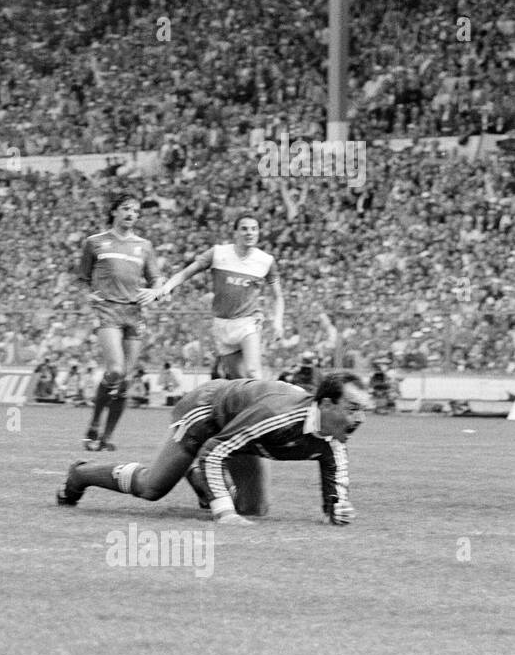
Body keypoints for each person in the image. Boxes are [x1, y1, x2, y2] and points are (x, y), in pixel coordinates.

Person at [57, 372, 368, 526]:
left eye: (362, 410)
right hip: (208, 413)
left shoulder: (330, 438)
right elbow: (214, 448)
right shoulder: (278, 417)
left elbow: (334, 474)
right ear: (326, 405)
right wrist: (224, 513)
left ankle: (198, 477)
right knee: (153, 488)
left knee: (254, 510)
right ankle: (79, 474)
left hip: (243, 432)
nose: (360, 418)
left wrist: (336, 509)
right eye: (352, 408)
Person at [78, 192, 163, 450]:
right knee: (115, 370)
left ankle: (107, 437)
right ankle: (94, 424)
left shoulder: (144, 246)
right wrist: (88, 296)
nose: (131, 214)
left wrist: (155, 291)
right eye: (126, 208)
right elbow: (82, 278)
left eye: (135, 211)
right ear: (114, 211)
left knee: (125, 380)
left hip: (134, 312)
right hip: (108, 310)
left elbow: (156, 280)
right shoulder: (95, 242)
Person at [154, 214, 283, 380]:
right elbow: (187, 272)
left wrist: (277, 322)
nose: (249, 233)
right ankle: (244, 405)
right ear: (235, 232)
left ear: (258, 232)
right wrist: (167, 287)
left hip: (248, 322)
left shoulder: (266, 260)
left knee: (253, 373)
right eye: (244, 229)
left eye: (254, 229)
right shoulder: (218, 253)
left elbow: (278, 296)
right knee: (239, 378)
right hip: (221, 323)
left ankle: (263, 405)